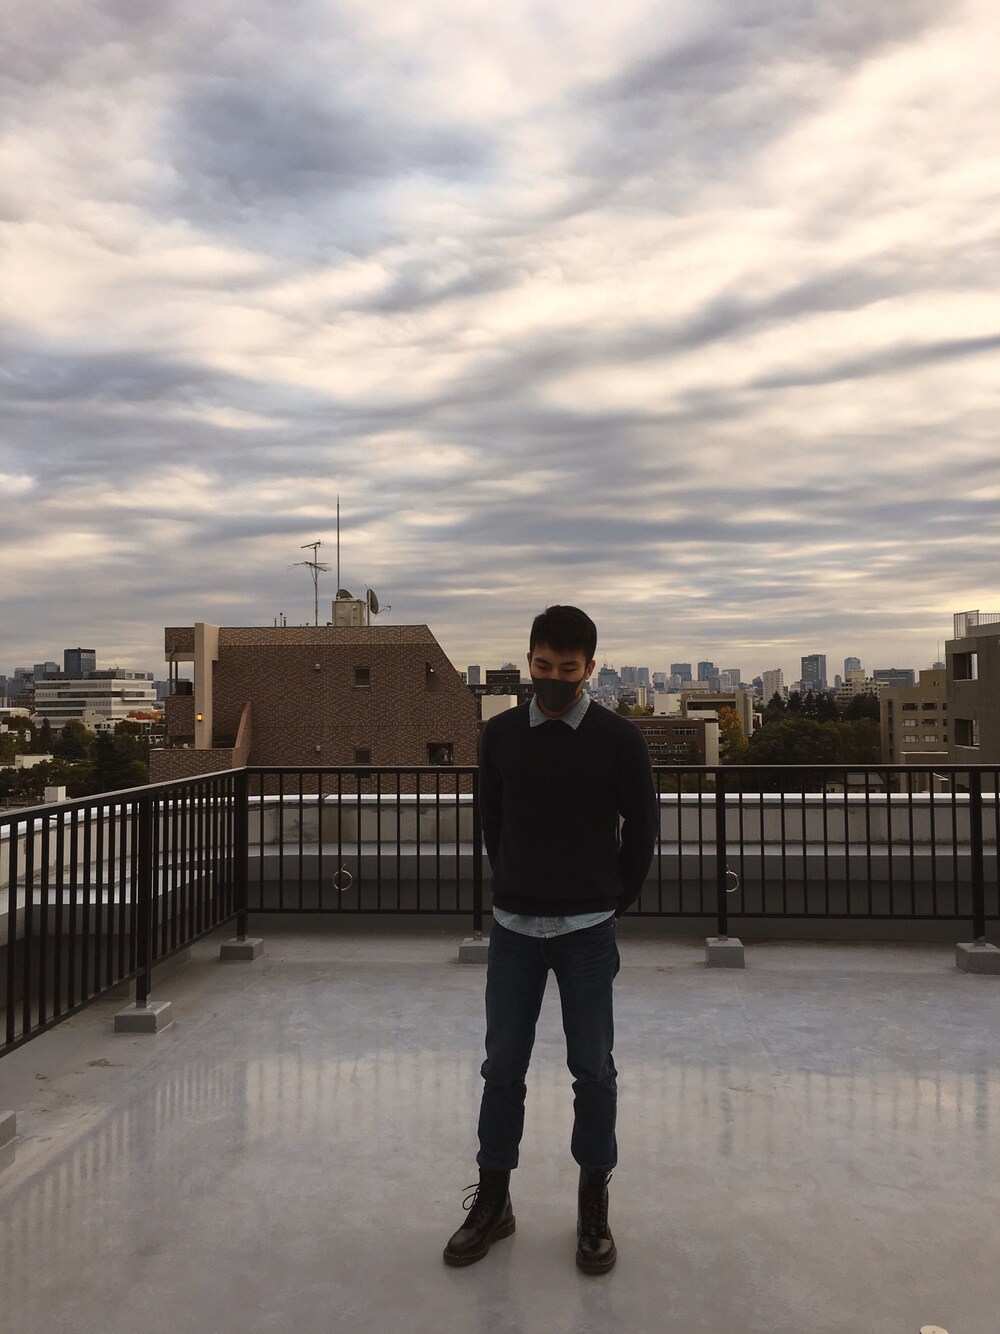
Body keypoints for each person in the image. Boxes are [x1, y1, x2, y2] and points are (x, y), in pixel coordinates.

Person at [443, 605, 658, 1273]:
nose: (554, 679)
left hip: (587, 931)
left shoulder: (620, 739)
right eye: (543, 666)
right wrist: (514, 881)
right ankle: (493, 1202)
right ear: (529, 660)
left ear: (590, 667)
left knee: (593, 1071)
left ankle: (593, 1206)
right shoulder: (501, 734)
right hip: (513, 929)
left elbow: (643, 830)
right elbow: (492, 820)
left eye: (568, 668)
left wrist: (610, 899)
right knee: (502, 1069)